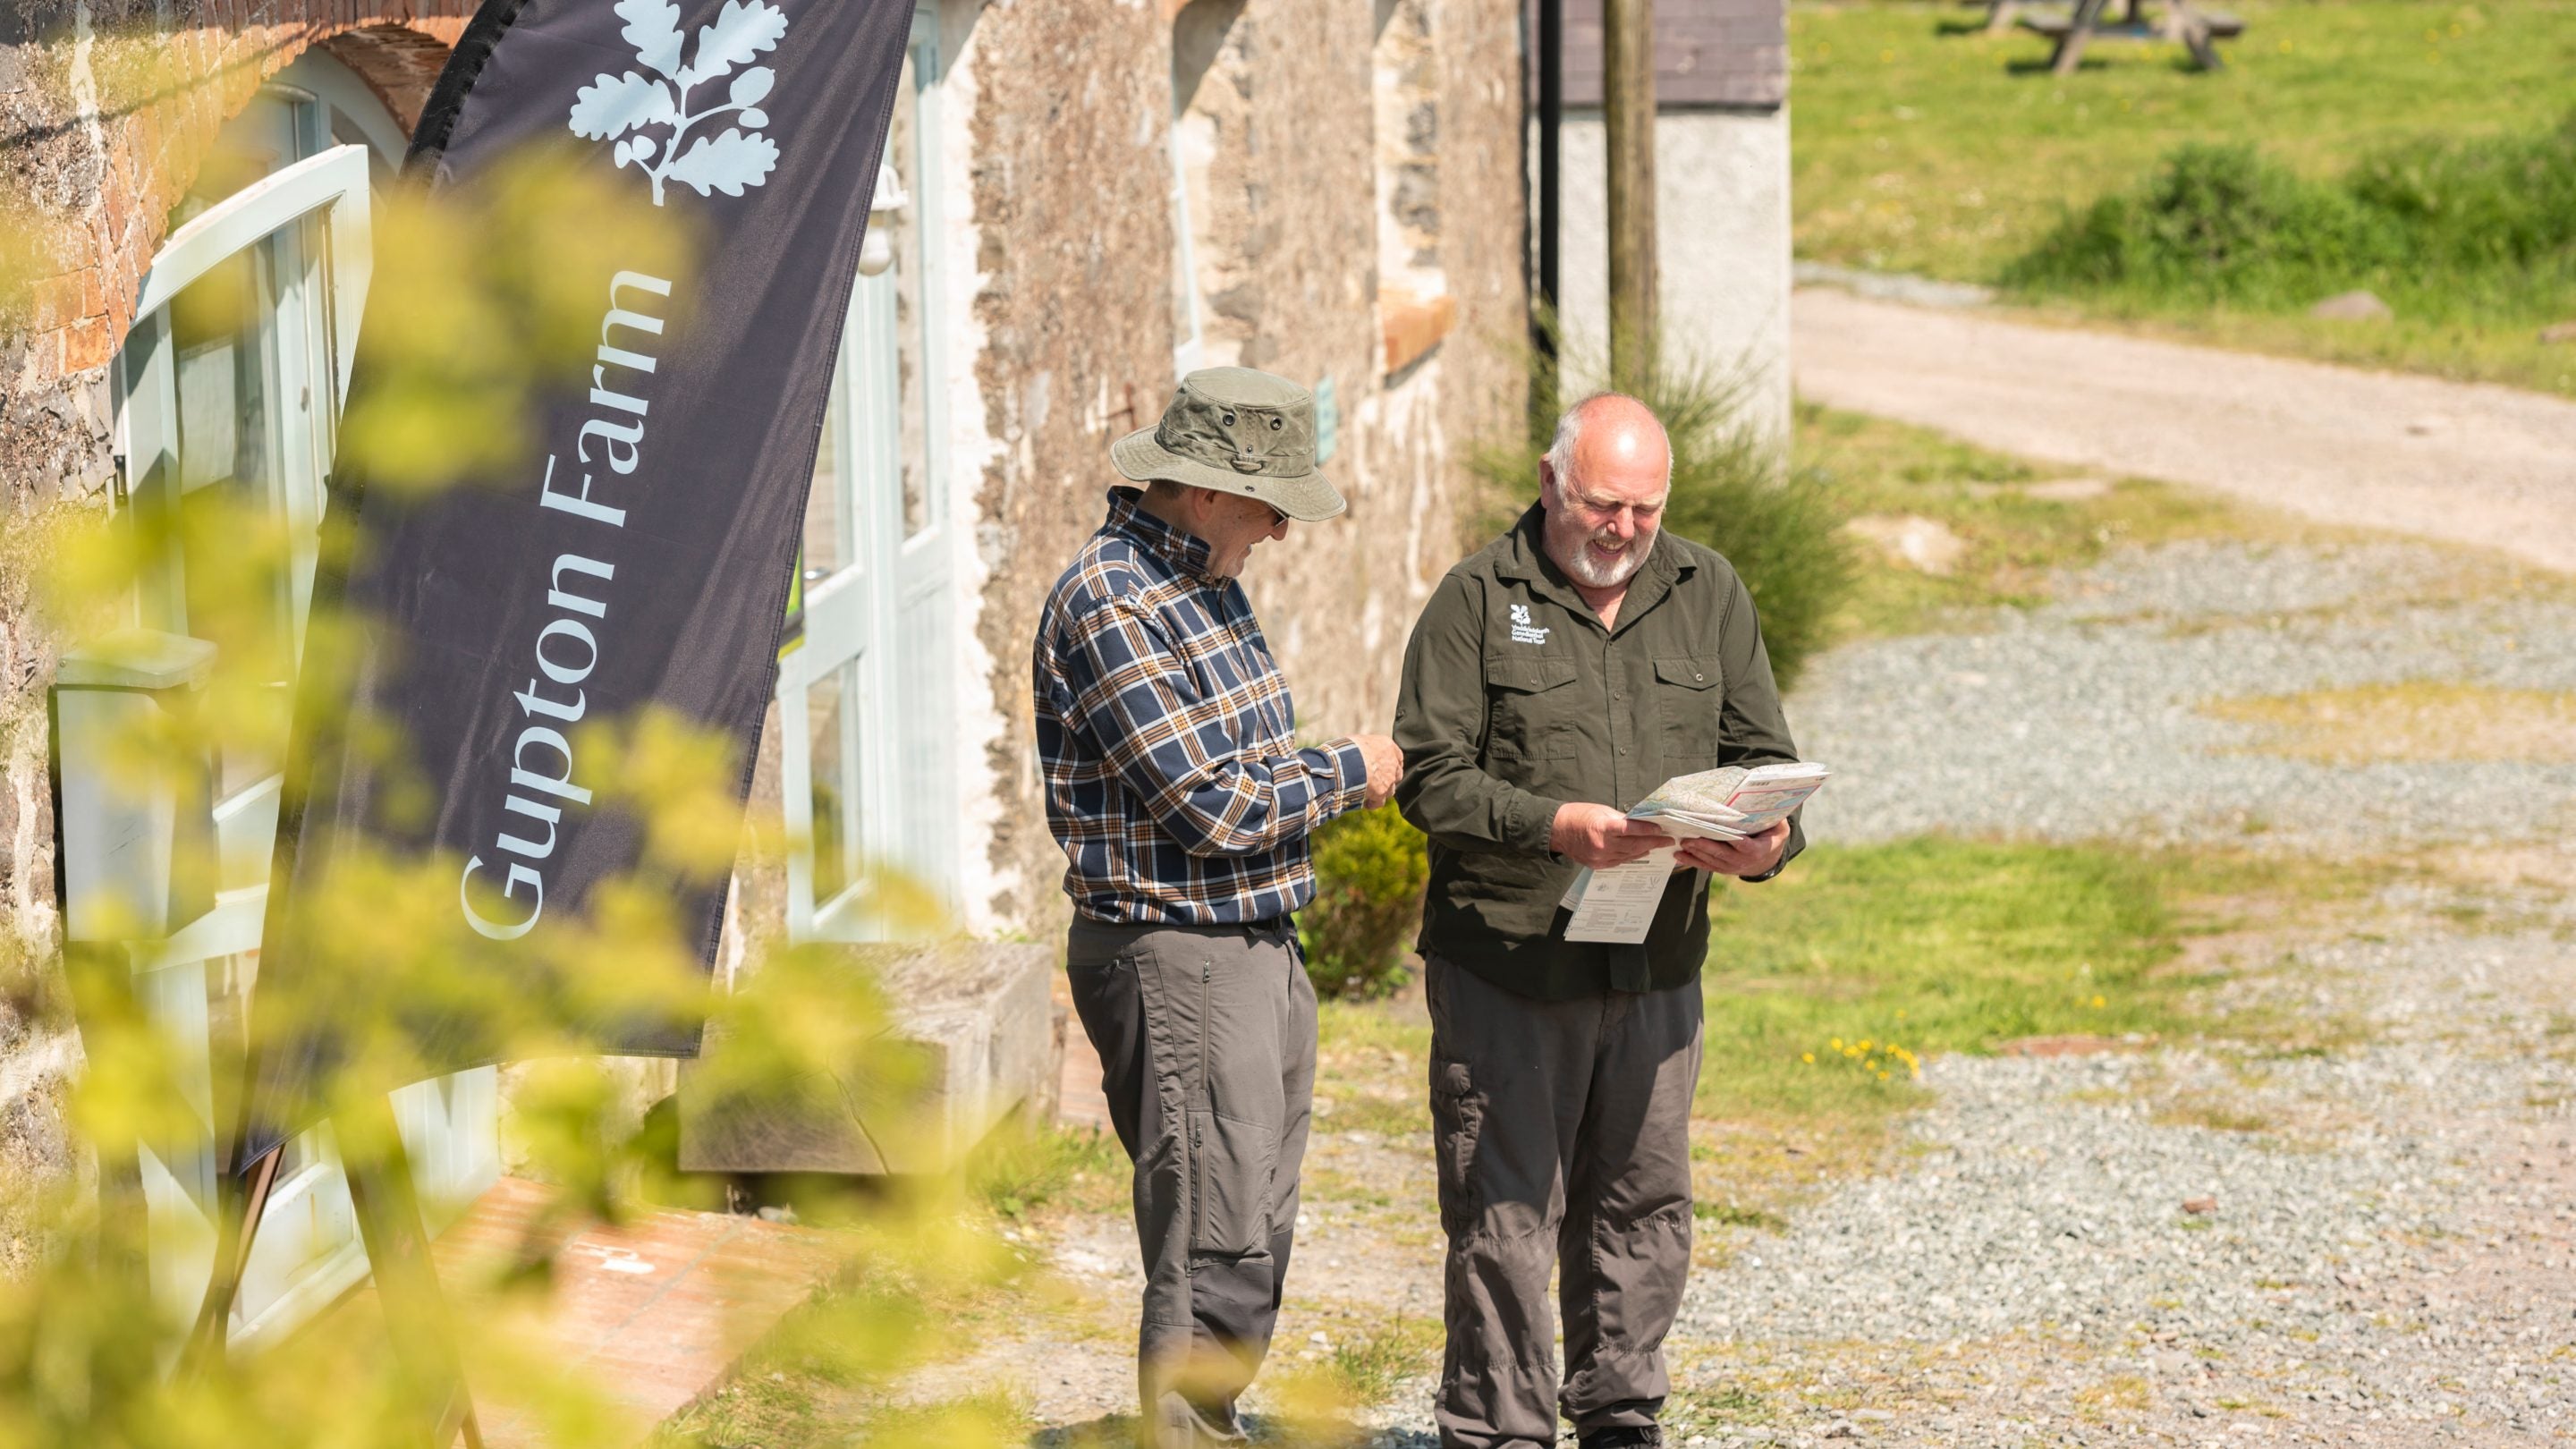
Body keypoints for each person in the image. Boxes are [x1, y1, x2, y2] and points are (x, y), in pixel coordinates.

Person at [1391, 393, 1806, 1449]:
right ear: (1549, 481)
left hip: (1658, 966)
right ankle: (1499, 1429)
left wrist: (1764, 846)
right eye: (1602, 504)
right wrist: (1553, 826)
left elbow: (1766, 762)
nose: (1622, 529)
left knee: (1645, 1208)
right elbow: (1429, 780)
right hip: (1512, 968)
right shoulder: (1475, 600)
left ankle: (1622, 1418)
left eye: (1645, 510)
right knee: (1506, 1215)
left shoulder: (1709, 590)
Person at [1034, 367, 1405, 1449]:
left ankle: (1210, 1420)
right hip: (1177, 953)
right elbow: (1209, 803)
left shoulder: (1204, 581)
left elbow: (1238, 765)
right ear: (1201, 493)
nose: (1283, 529)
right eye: (1270, 505)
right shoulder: (1112, 600)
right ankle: (1186, 1432)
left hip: (1252, 943)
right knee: (1211, 1229)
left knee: (1252, 1222)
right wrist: (1351, 770)